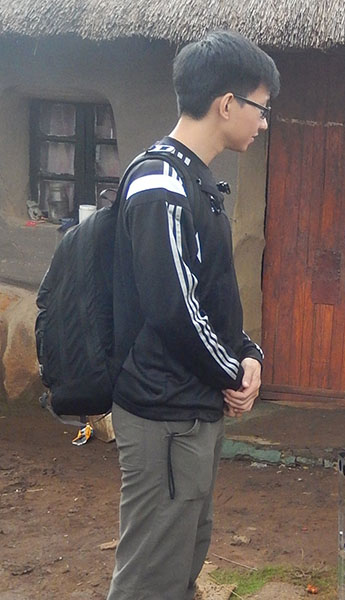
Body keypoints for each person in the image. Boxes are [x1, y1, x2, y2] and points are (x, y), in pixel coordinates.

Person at [107, 31, 279, 600]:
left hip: (188, 407)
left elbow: (208, 296)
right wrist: (232, 373)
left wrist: (248, 353)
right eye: (260, 108)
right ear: (227, 103)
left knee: (182, 559)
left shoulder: (195, 180)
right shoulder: (162, 183)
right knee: (151, 575)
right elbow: (173, 311)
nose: (262, 123)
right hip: (163, 411)